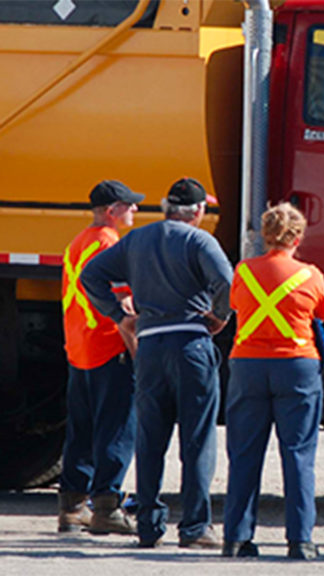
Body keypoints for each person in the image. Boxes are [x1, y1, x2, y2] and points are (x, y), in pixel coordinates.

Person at [81, 177, 233, 550]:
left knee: (150, 438)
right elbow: (228, 283)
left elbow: (91, 275)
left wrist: (119, 315)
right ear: (197, 211)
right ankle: (195, 528)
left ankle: (148, 526)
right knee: (196, 439)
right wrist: (220, 317)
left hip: (148, 347)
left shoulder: (137, 239)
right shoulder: (199, 241)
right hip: (191, 345)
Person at [222, 203, 324, 560]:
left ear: (266, 235)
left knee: (243, 454)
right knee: (298, 454)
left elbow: (236, 305)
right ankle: (300, 541)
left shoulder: (244, 270)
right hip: (297, 366)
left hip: (249, 365)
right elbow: (323, 313)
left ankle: (236, 539)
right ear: (298, 237)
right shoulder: (311, 274)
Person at [57, 180, 143, 535]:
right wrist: (136, 349)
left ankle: (72, 507)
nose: (135, 210)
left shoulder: (78, 242)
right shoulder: (110, 245)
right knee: (117, 426)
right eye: (130, 205)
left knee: (81, 427)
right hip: (108, 346)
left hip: (79, 346)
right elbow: (123, 308)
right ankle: (107, 506)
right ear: (112, 210)